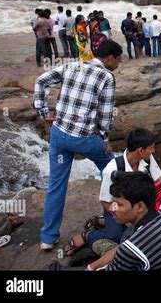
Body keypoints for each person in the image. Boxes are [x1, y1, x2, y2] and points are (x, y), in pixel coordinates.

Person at [33, 40, 123, 250]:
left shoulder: (73, 65)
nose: (119, 64)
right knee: (112, 170)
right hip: (83, 138)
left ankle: (48, 238)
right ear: (109, 58)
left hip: (58, 134)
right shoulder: (107, 77)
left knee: (56, 185)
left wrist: (44, 113)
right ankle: (114, 220)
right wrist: (105, 139)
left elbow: (41, 80)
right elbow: (106, 114)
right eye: (118, 60)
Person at [64, 128, 161, 256]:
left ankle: (101, 221)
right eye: (151, 148)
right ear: (140, 150)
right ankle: (87, 236)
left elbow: (157, 182)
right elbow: (105, 201)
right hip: (116, 208)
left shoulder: (148, 160)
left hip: (139, 206)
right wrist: (126, 216)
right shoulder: (112, 169)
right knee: (115, 236)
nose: (153, 151)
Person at [91, 171, 161, 271]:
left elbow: (131, 249)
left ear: (140, 206)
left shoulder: (131, 249)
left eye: (119, 204)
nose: (112, 208)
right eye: (113, 202)